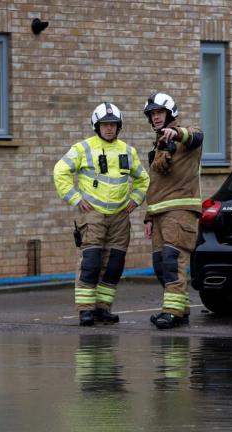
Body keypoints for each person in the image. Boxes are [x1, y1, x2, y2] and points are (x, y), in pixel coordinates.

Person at [54, 102, 149, 326]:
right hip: (93, 215)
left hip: (120, 217)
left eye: (113, 125)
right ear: (96, 126)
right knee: (91, 262)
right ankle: (86, 310)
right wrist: (75, 198)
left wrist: (136, 199)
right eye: (105, 125)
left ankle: (102, 309)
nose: (109, 128)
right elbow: (60, 171)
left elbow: (143, 179)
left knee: (114, 264)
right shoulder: (83, 148)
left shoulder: (128, 150)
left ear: (119, 127)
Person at [142, 91, 204, 329]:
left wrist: (176, 133)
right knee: (160, 266)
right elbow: (154, 184)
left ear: (170, 114)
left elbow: (196, 137)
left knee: (171, 261)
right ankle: (181, 310)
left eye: (160, 112)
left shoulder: (184, 137)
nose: (156, 117)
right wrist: (148, 217)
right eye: (152, 114)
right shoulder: (158, 145)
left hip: (180, 210)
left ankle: (172, 312)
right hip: (158, 213)